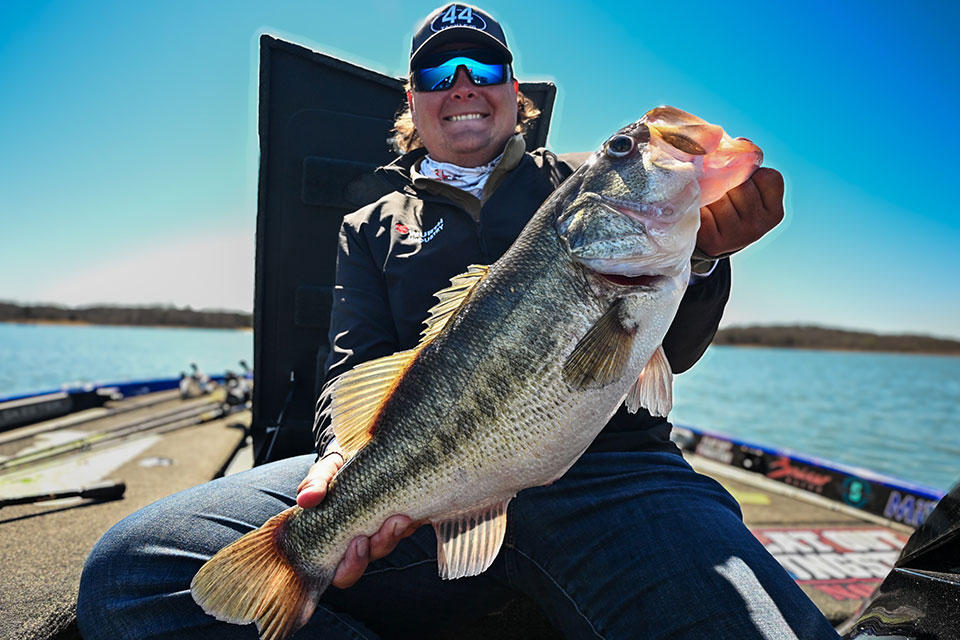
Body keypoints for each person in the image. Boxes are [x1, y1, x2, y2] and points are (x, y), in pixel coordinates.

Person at [77, 4, 841, 639]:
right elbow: (354, 367)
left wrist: (701, 257)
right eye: (439, 75)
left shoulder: (575, 183)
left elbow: (671, 348)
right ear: (412, 101)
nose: (463, 85)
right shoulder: (370, 224)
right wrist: (340, 461)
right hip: (423, 490)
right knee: (133, 574)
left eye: (484, 68)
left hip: (616, 476)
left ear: (514, 92)